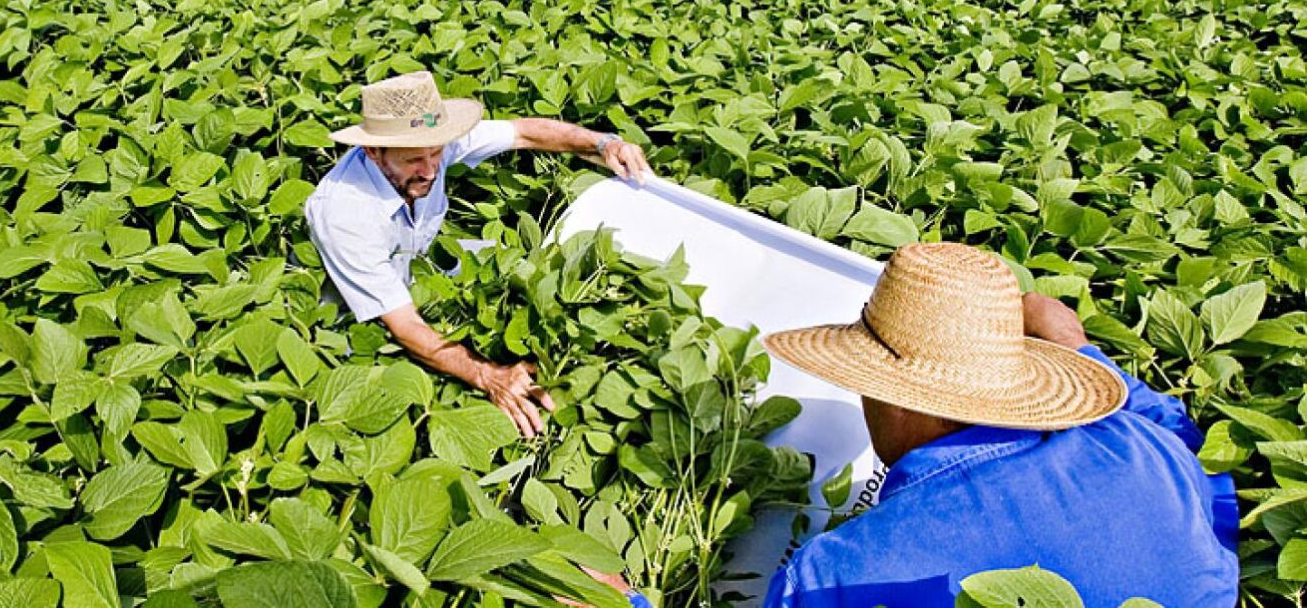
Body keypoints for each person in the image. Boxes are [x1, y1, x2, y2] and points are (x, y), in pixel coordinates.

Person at [586, 242, 1238, 607]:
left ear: (896, 399)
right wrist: (1074, 346)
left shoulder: (855, 570)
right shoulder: (1134, 430)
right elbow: (1155, 410)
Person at [305, 71, 651, 437]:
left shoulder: (429, 145)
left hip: (422, 269)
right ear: (372, 151)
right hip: (356, 318)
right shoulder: (345, 214)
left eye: (436, 153)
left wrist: (604, 144)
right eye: (412, 161)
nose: (430, 170)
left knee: (519, 263)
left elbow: (522, 132)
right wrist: (489, 375)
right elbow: (404, 325)